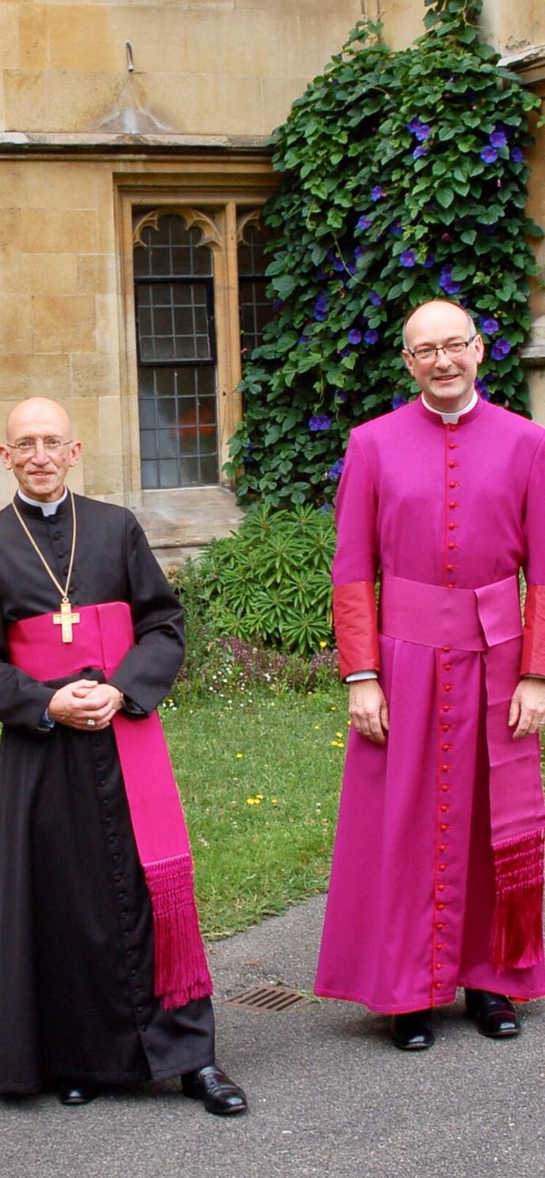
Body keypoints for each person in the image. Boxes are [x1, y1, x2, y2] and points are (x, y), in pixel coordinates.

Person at [0, 396, 246, 1114]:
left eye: (52, 441)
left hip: (127, 736)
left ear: (75, 449)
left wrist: (121, 690)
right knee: (67, 901)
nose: (41, 455)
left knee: (157, 893)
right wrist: (48, 702)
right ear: (6, 456)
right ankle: (79, 1056)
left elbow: (163, 624)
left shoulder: (116, 528)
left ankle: (191, 1057)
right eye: (25, 443)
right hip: (44, 753)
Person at [315, 299, 545, 1051]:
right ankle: (406, 990)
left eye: (455, 346)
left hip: (499, 656)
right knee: (400, 821)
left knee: (492, 818)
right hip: (404, 658)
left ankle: (491, 980)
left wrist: (537, 677)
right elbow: (352, 572)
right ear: (408, 362)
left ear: (480, 350)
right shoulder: (373, 443)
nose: (442, 361)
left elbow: (543, 575)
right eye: (426, 351)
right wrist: (362, 675)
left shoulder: (528, 442)